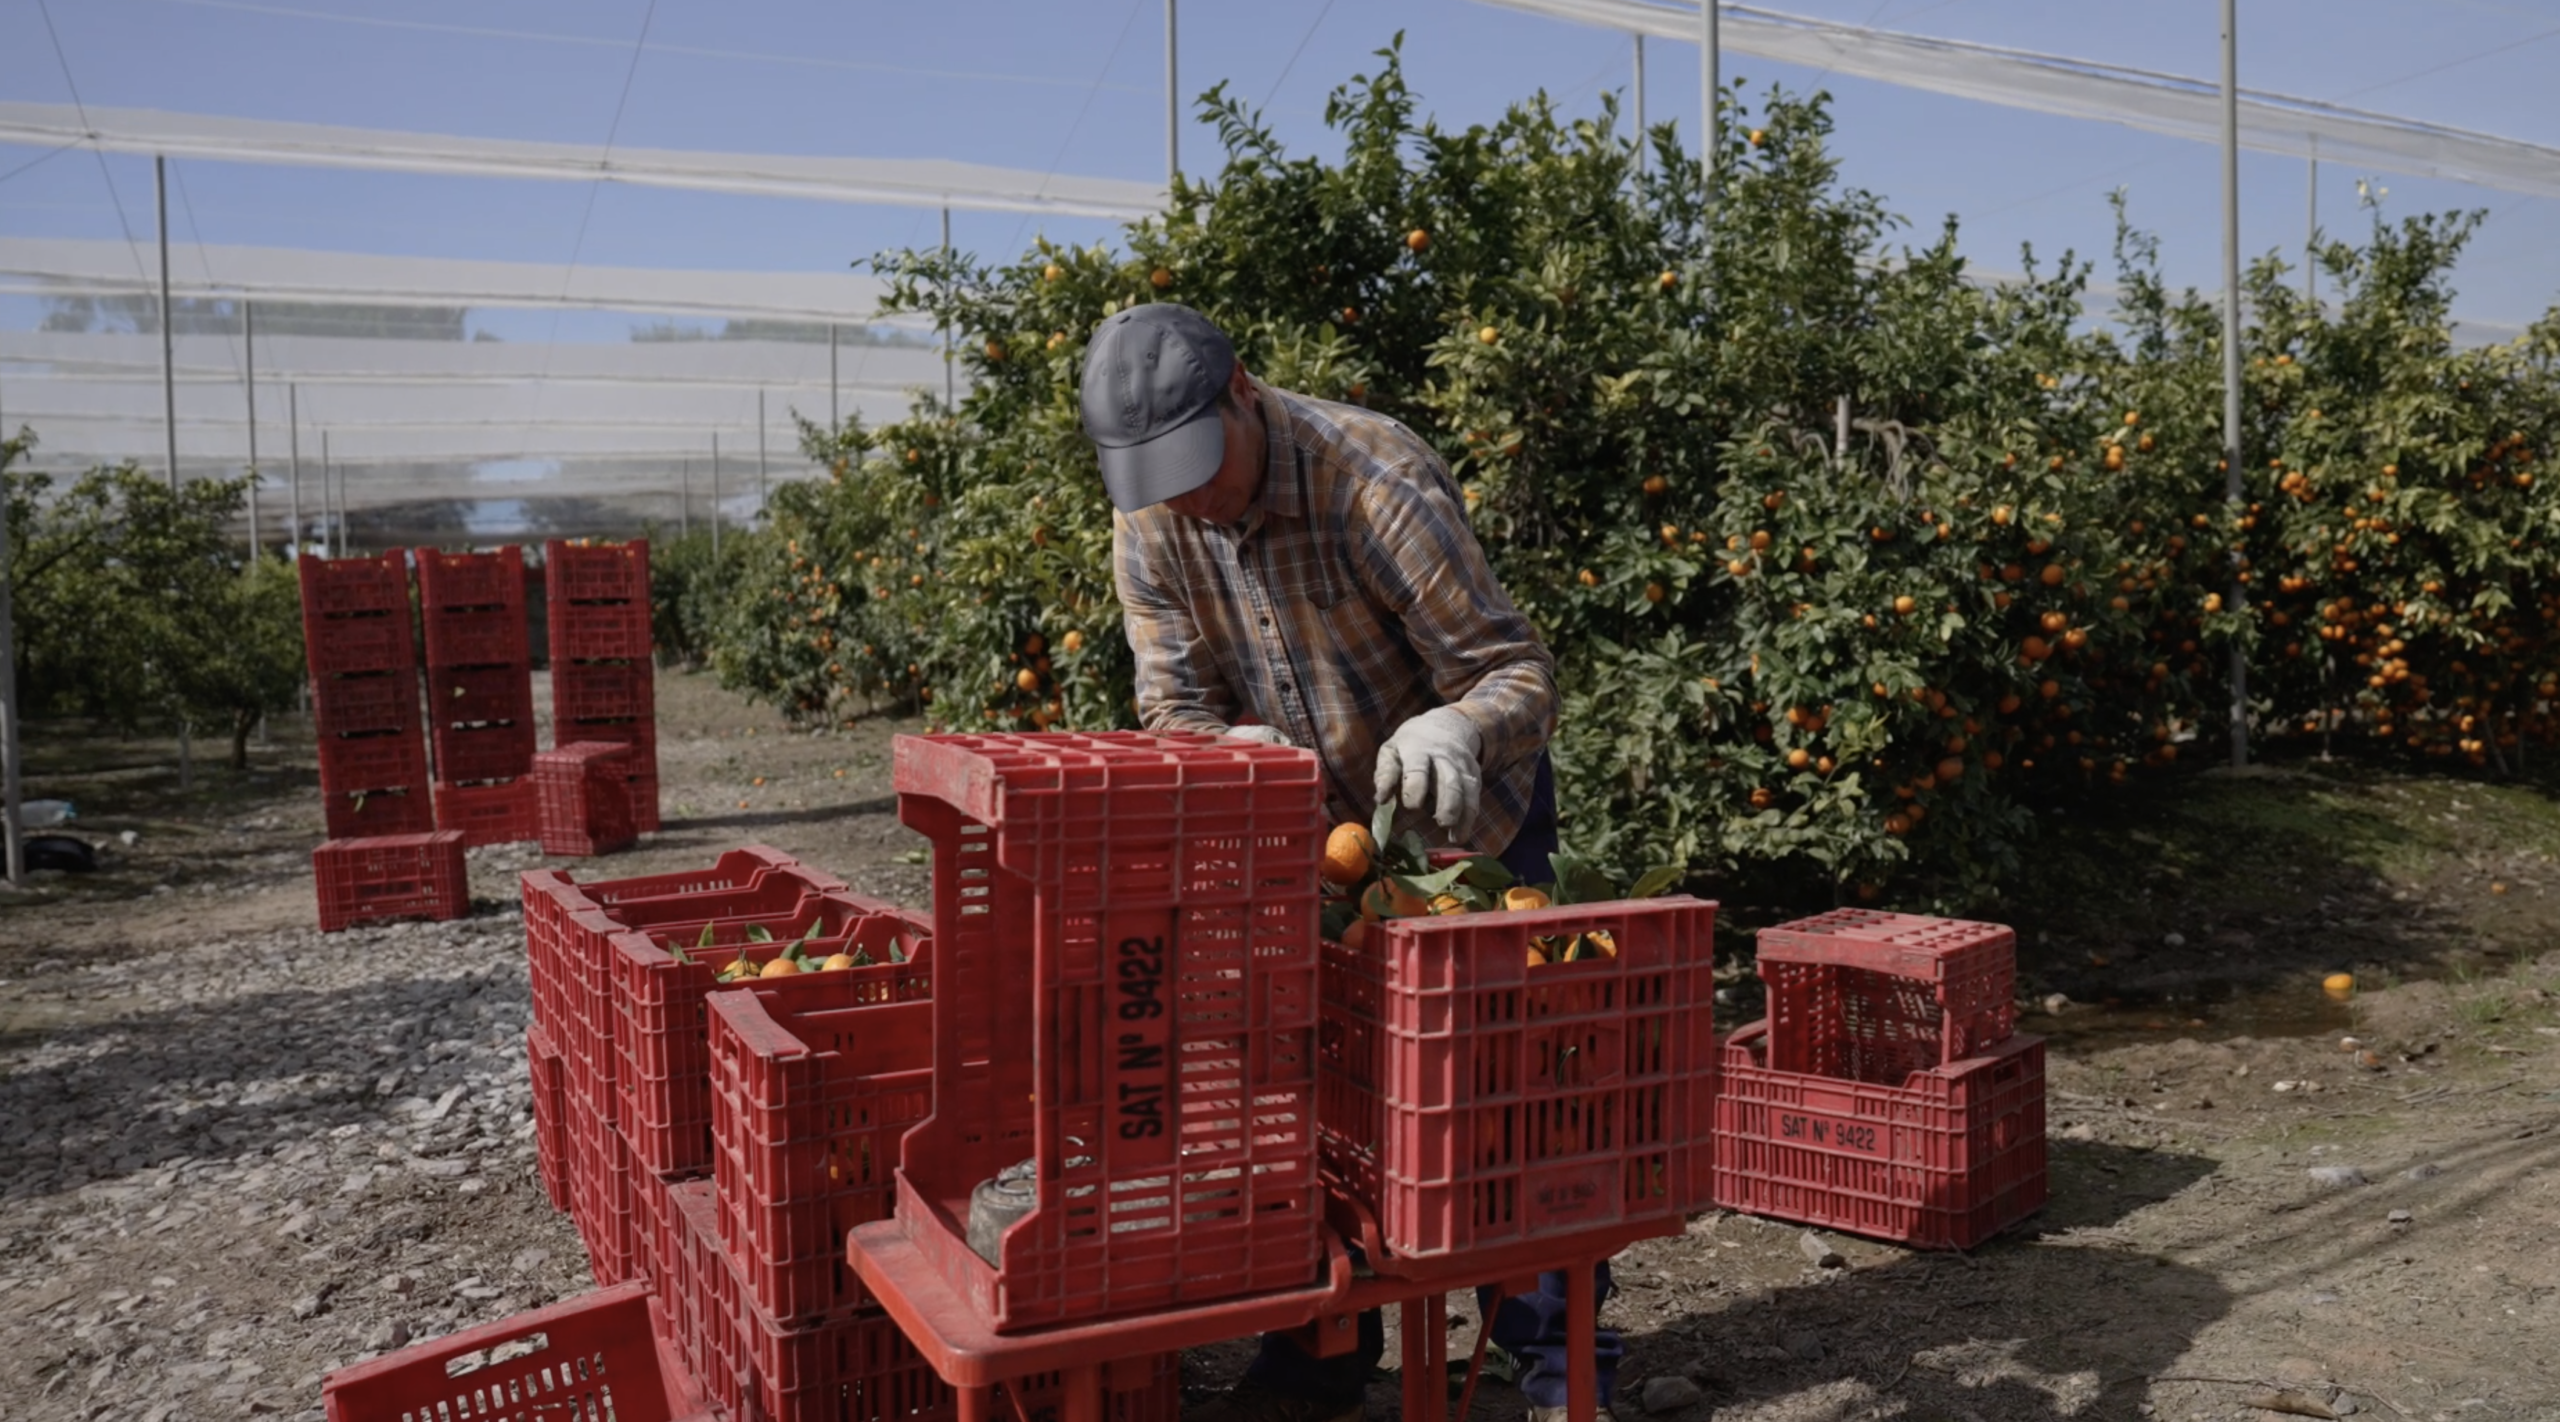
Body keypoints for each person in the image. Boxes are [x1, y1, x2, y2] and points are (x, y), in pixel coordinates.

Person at [1080, 302, 1620, 1422]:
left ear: (1241, 391)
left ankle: (1556, 1362)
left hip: (1460, 824)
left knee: (1496, 1096)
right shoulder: (1150, 522)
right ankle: (1318, 1351)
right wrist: (1212, 755)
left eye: (1196, 465)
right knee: (1295, 1085)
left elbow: (1518, 673)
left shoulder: (1372, 479)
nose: (1187, 498)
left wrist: (1461, 726)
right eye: (1158, 480)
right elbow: (1171, 705)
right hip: (1301, 841)